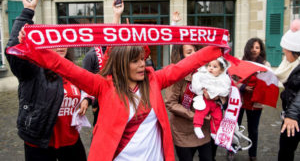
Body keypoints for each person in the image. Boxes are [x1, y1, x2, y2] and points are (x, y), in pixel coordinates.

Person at [14, 22, 223, 161]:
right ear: (122, 64)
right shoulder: (101, 86)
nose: (143, 64)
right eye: (135, 60)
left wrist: (216, 48)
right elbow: (65, 67)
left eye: (143, 58)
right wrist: (31, 47)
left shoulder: (154, 80)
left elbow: (185, 65)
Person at [5, 0, 89, 160]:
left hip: (71, 142)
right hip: (41, 144)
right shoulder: (34, 69)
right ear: (46, 43)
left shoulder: (73, 71)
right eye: (54, 40)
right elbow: (13, 53)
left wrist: (86, 99)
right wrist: (27, 12)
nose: (60, 46)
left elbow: (89, 85)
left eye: (63, 41)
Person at [165, 44, 213, 161]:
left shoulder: (205, 71)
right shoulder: (175, 75)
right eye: (189, 52)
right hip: (183, 130)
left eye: (196, 50)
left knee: (207, 158)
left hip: (203, 127)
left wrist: (214, 97)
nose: (194, 54)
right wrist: (195, 116)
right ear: (180, 56)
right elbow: (171, 103)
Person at [82, 1, 124, 126]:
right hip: (100, 104)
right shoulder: (91, 55)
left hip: (118, 99)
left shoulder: (115, 50)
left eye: (109, 34)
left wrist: (116, 16)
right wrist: (91, 102)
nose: (108, 36)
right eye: (104, 34)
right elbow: (86, 81)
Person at [237, 37, 271, 161]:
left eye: (257, 47)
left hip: (255, 103)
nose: (254, 50)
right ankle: (232, 149)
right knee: (235, 127)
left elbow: (268, 84)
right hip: (240, 101)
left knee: (253, 130)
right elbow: (234, 80)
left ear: (261, 50)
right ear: (248, 48)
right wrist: (243, 87)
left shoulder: (265, 65)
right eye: (252, 47)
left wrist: (258, 89)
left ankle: (252, 154)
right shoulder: (241, 62)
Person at [277, 19, 300, 161]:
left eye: (286, 51)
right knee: (285, 151)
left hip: (294, 116)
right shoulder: (291, 64)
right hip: (291, 115)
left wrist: (291, 115)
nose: (284, 53)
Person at [191, 57, 231, 139]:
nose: (211, 68)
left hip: (216, 103)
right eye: (209, 65)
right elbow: (197, 85)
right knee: (200, 112)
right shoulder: (204, 76)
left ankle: (215, 132)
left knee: (218, 117)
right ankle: (197, 127)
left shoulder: (223, 79)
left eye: (215, 67)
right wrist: (202, 89)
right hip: (205, 100)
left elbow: (225, 90)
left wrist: (218, 95)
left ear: (221, 70)